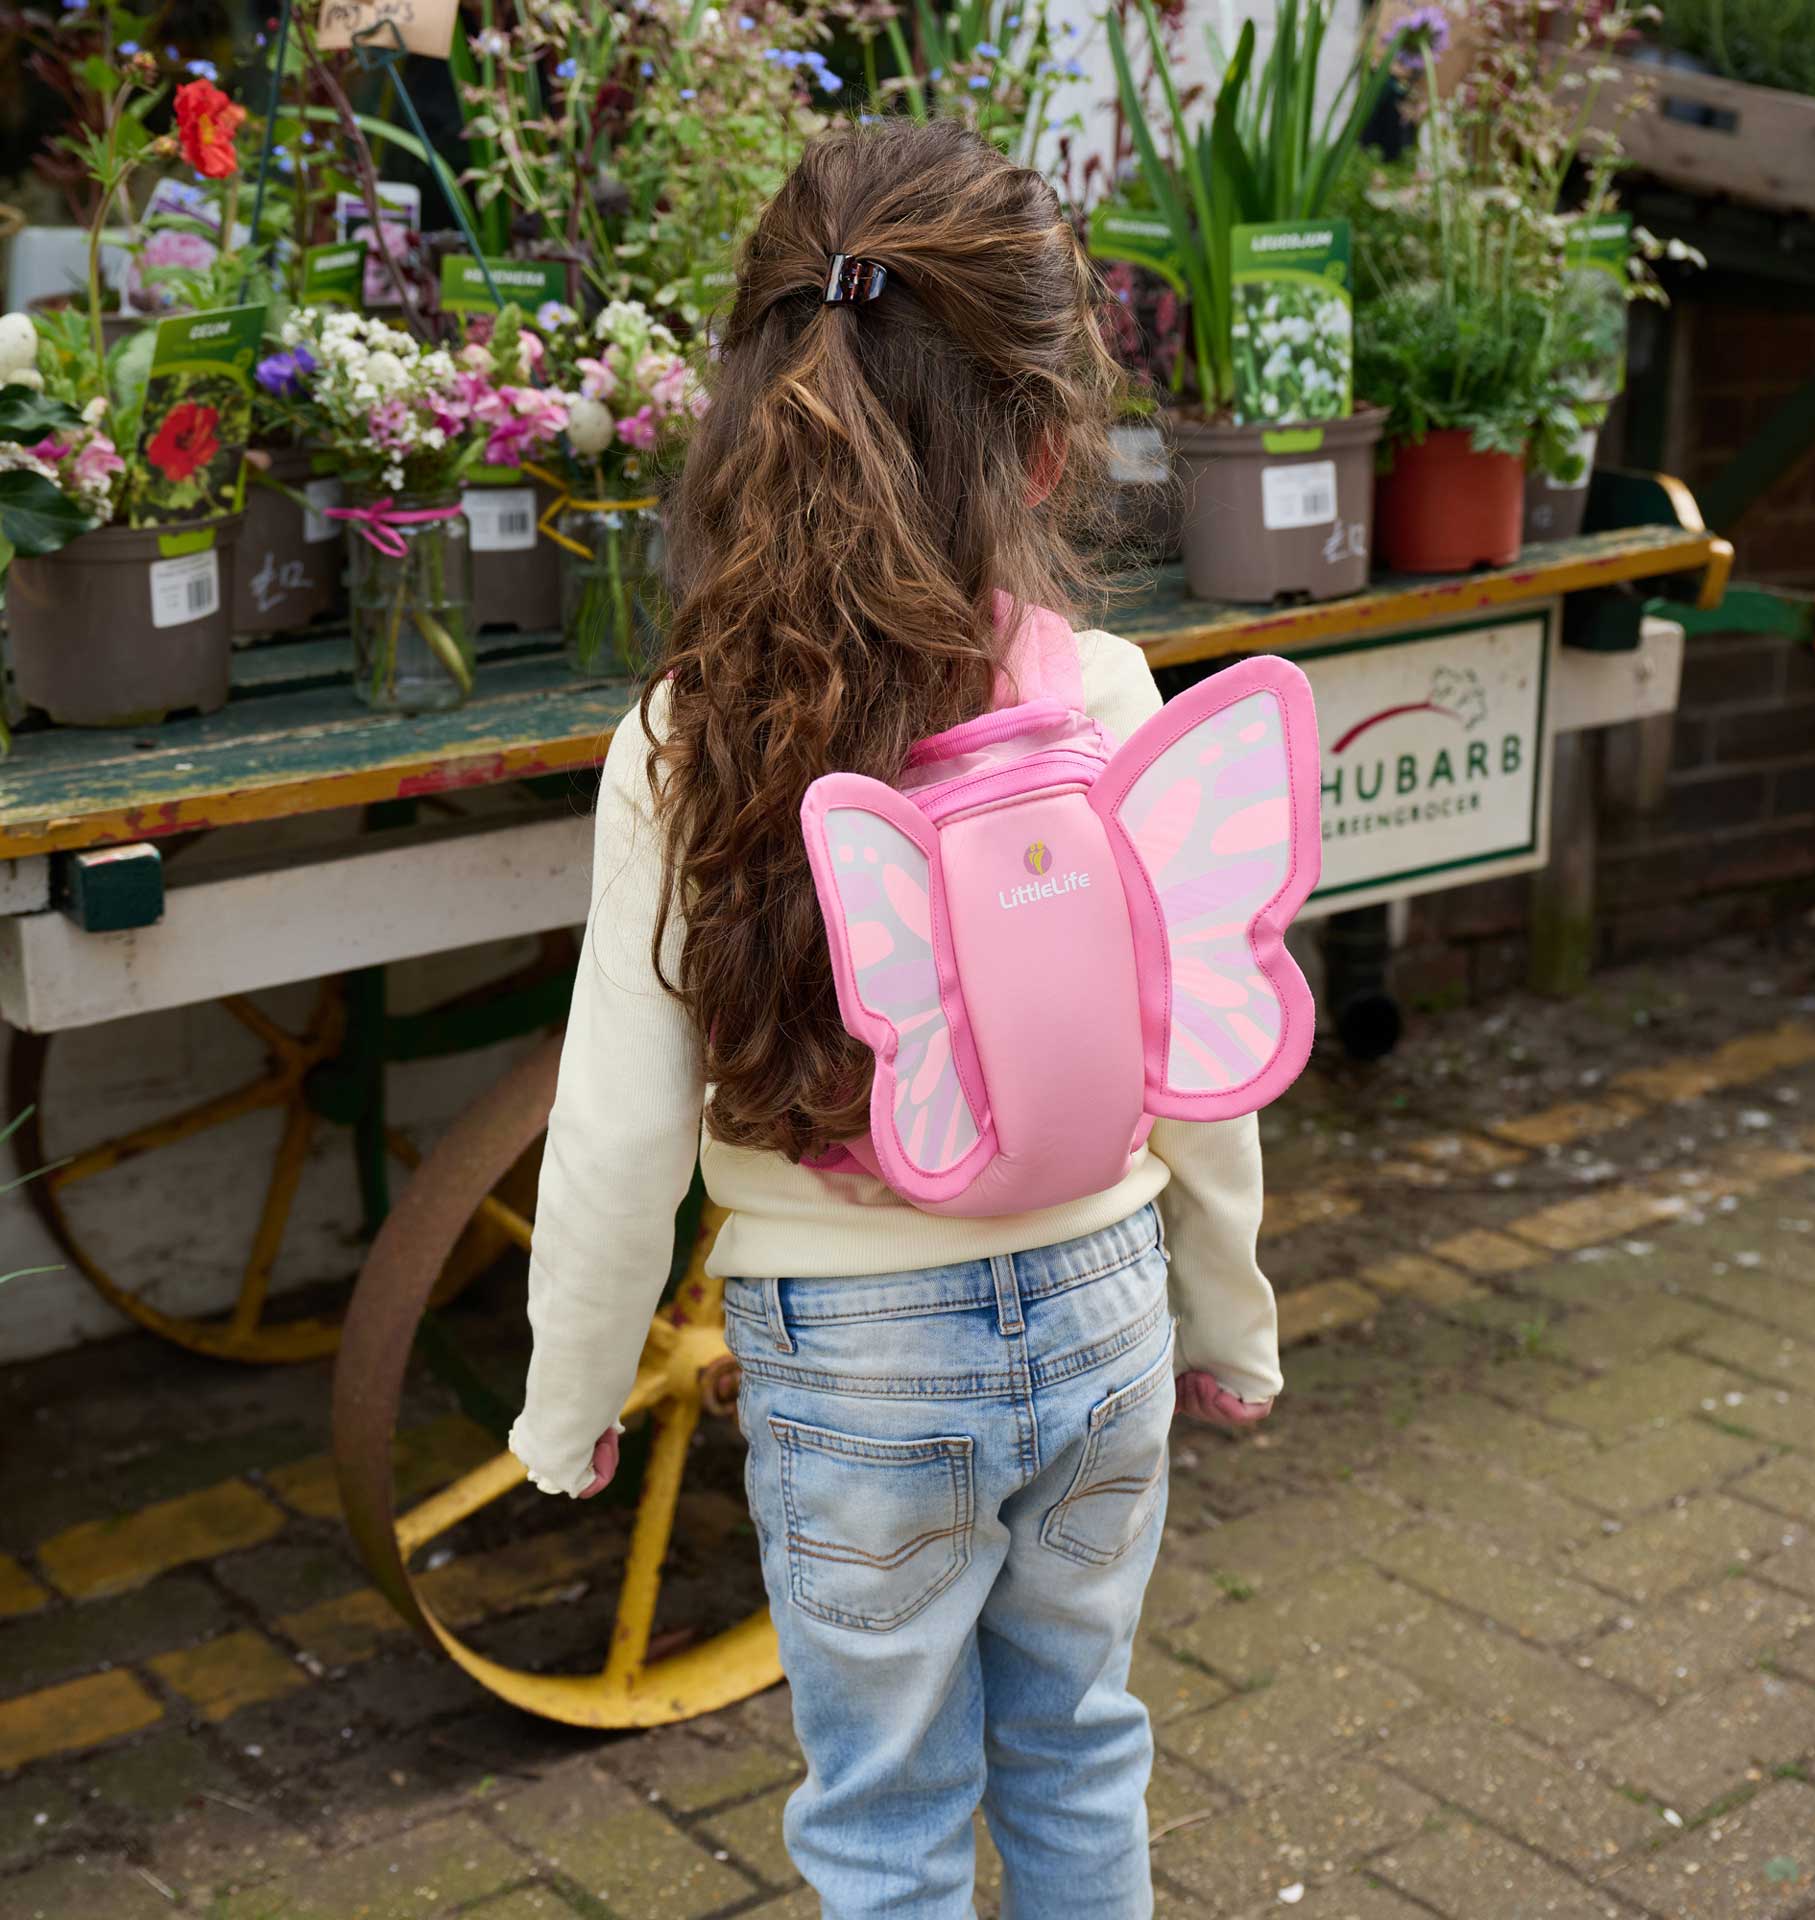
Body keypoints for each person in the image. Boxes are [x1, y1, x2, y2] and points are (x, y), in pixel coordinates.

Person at [509, 119, 1283, 1920]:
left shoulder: (686, 738)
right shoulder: (1103, 692)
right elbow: (1195, 1061)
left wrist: (570, 1397)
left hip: (851, 1356)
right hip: (1102, 1305)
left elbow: (617, 1124)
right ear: (1043, 441)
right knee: (1081, 1746)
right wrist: (1231, 1317)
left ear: (746, 412)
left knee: (884, 1820)